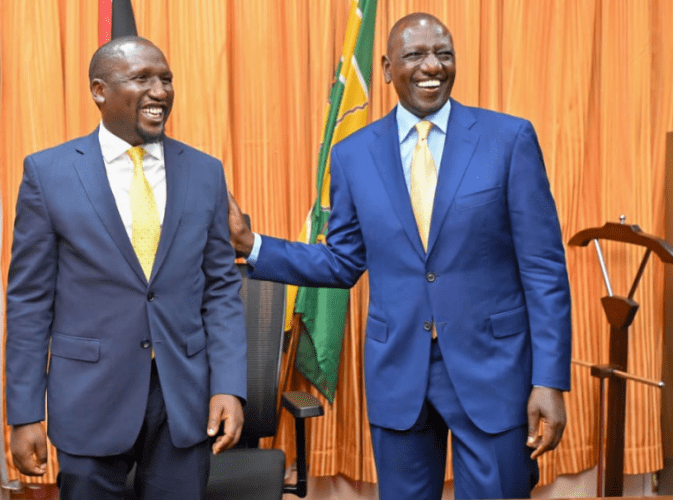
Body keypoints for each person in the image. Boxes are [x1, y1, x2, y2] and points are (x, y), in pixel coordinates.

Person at [228, 13, 571, 500]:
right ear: (388, 69)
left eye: (443, 53)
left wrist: (550, 382)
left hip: (495, 372)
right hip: (399, 373)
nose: (432, 66)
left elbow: (544, 270)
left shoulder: (509, 140)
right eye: (415, 55)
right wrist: (252, 246)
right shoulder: (353, 155)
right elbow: (343, 262)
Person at [6, 36, 247, 500]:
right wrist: (24, 412)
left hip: (183, 398)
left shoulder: (205, 172)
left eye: (166, 80)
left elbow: (220, 291)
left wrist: (229, 387)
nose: (160, 91)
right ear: (99, 90)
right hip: (89, 396)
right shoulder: (48, 173)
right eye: (142, 79)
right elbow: (29, 303)